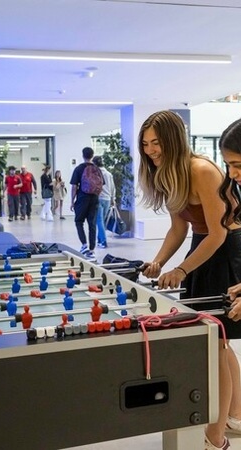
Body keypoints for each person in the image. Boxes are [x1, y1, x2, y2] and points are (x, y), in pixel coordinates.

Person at [138, 110, 241, 450]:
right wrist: (159, 261)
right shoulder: (167, 173)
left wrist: (182, 270)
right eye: (146, 144)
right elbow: (179, 228)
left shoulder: (200, 170)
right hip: (205, 245)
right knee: (217, 340)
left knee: (213, 342)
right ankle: (236, 415)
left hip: (225, 249)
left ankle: (216, 437)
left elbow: (219, 234)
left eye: (157, 142)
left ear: (173, 140)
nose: (151, 150)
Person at [69, 147, 101, 261]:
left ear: (83, 155)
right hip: (94, 199)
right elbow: (102, 185)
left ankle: (84, 245)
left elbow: (74, 186)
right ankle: (92, 249)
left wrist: (72, 201)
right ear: (92, 155)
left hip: (82, 198)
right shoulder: (97, 169)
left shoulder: (79, 168)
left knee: (79, 221)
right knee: (92, 224)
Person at [92, 156, 116, 248]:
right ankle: (99, 240)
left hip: (99, 198)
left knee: (99, 221)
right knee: (102, 221)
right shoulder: (109, 174)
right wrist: (113, 199)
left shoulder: (95, 174)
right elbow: (113, 187)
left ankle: (103, 241)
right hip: (107, 199)